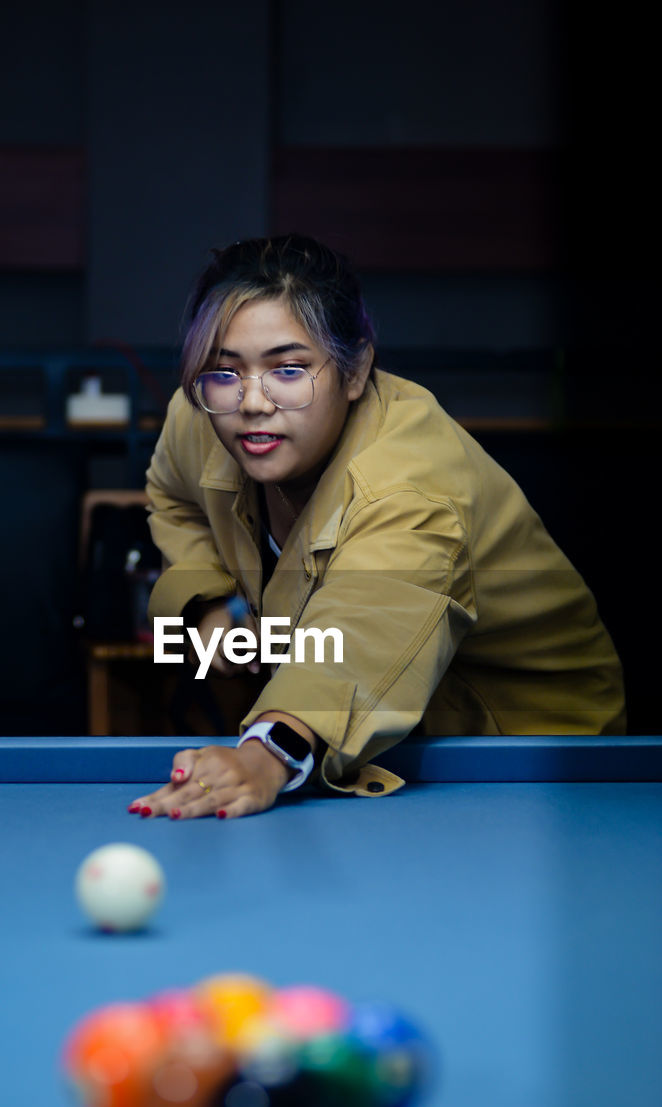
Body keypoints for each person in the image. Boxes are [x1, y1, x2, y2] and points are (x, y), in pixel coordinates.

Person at [128, 234, 624, 821]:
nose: (253, 401)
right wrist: (211, 602)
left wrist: (266, 755)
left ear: (355, 369)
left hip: (528, 757)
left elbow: (361, 633)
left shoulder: (413, 489)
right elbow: (173, 497)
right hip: (370, 739)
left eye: (290, 369)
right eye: (225, 369)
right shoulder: (208, 411)